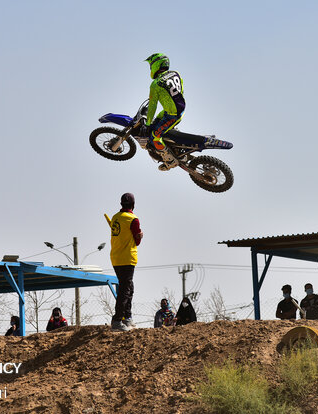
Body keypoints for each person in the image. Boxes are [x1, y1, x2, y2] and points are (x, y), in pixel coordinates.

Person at [143, 53, 185, 171]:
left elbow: (152, 106)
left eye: (151, 65)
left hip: (173, 115)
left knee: (155, 137)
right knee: (158, 119)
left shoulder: (156, 84)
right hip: (180, 109)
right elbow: (181, 89)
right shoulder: (176, 73)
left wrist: (147, 124)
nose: (150, 68)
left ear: (156, 64)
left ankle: (170, 160)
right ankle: (171, 140)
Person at [110, 192, 143, 332]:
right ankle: (117, 320)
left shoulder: (115, 218)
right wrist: (140, 236)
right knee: (125, 290)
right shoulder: (133, 219)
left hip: (116, 257)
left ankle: (127, 317)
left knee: (129, 287)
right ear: (133, 205)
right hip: (127, 258)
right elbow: (137, 241)